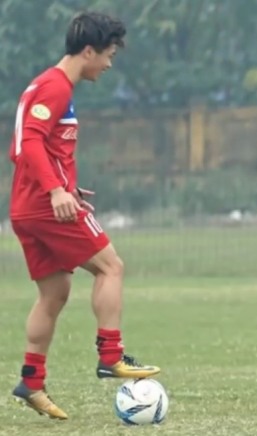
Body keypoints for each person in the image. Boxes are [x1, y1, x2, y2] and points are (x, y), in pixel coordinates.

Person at [8, 12, 160, 420]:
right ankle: (111, 355)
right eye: (108, 55)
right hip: (45, 206)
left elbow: (38, 147)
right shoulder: (55, 87)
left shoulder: (49, 85)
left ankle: (31, 380)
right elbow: (29, 145)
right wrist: (57, 191)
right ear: (88, 51)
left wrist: (67, 186)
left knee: (53, 293)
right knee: (111, 267)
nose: (109, 64)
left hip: (27, 206)